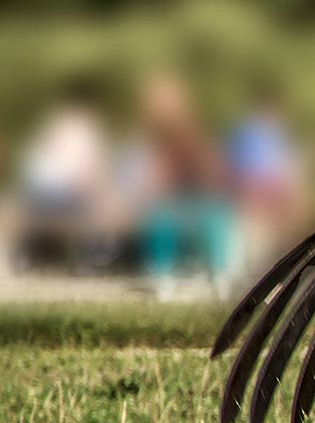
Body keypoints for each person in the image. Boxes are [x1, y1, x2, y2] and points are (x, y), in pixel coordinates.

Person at [133, 73, 238, 297]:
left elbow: (211, 172)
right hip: (172, 202)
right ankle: (163, 277)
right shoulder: (150, 140)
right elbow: (152, 180)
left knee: (213, 219)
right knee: (161, 219)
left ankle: (220, 274)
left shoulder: (191, 134)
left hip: (200, 199)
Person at [10, 78, 117, 272]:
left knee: (96, 203)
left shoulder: (57, 124)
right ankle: (94, 256)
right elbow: (87, 174)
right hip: (58, 193)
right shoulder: (83, 129)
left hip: (40, 191)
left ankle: (90, 254)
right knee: (98, 207)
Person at [224, 81, 309, 270]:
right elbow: (238, 175)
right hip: (253, 202)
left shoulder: (282, 139)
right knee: (259, 236)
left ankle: (285, 266)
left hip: (277, 203)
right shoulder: (246, 135)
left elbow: (293, 177)